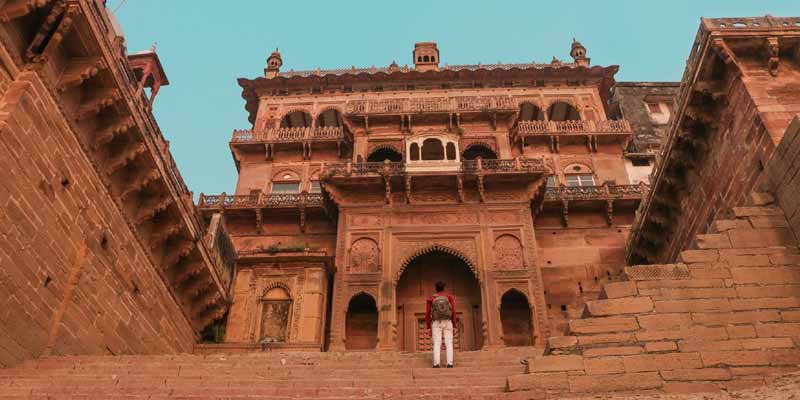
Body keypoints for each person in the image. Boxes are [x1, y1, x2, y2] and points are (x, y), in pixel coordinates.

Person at [425, 280, 457, 368]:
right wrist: (454, 325)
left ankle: (436, 364)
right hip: (448, 321)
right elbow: (453, 311)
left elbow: (427, 313)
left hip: (436, 322)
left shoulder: (431, 298)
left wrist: (428, 326)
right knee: (449, 343)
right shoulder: (449, 297)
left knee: (437, 343)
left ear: (436, 288)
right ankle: (450, 363)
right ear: (444, 288)